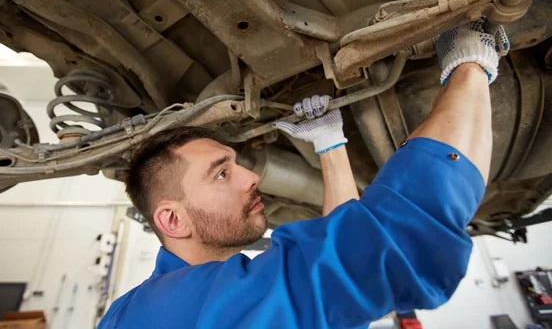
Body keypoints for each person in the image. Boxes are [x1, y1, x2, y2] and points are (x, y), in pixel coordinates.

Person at [98, 18, 509, 328]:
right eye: (221, 174)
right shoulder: (171, 311)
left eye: (235, 164)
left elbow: (333, 284)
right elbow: (389, 244)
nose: (251, 177)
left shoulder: (142, 311)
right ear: (171, 219)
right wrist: (470, 66)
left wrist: (331, 147)